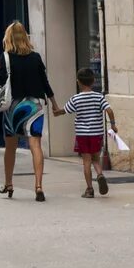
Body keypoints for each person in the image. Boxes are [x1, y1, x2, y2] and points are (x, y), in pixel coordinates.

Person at [0, 20, 57, 201]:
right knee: (35, 145)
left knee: (10, 147)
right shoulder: (35, 57)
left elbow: (0, 83)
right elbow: (45, 82)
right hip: (35, 105)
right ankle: (38, 186)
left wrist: (0, 70)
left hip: (13, 106)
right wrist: (54, 103)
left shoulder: (5, 57)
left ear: (8, 37)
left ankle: (8, 183)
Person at [57, 67, 116, 197]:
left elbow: (64, 110)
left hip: (82, 134)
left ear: (78, 82)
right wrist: (113, 125)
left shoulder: (76, 98)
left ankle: (89, 189)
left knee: (86, 162)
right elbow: (109, 110)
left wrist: (56, 112)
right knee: (95, 159)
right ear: (93, 81)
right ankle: (100, 175)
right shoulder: (98, 97)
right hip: (96, 133)